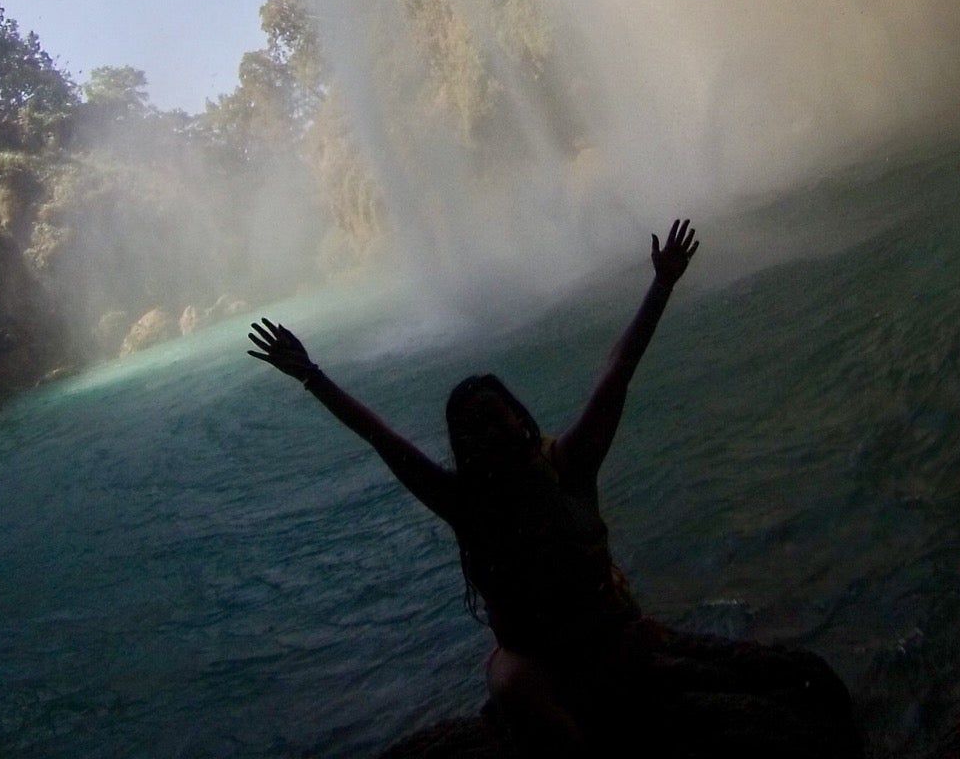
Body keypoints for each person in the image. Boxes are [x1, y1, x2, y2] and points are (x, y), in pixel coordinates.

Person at [247, 219, 701, 754]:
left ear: (521, 419)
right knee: (511, 686)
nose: (489, 431)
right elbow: (381, 437)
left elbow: (617, 369)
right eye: (474, 428)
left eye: (495, 416)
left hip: (606, 634)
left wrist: (661, 285)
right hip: (538, 660)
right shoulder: (464, 501)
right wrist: (312, 377)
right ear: (464, 448)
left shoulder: (569, 464)